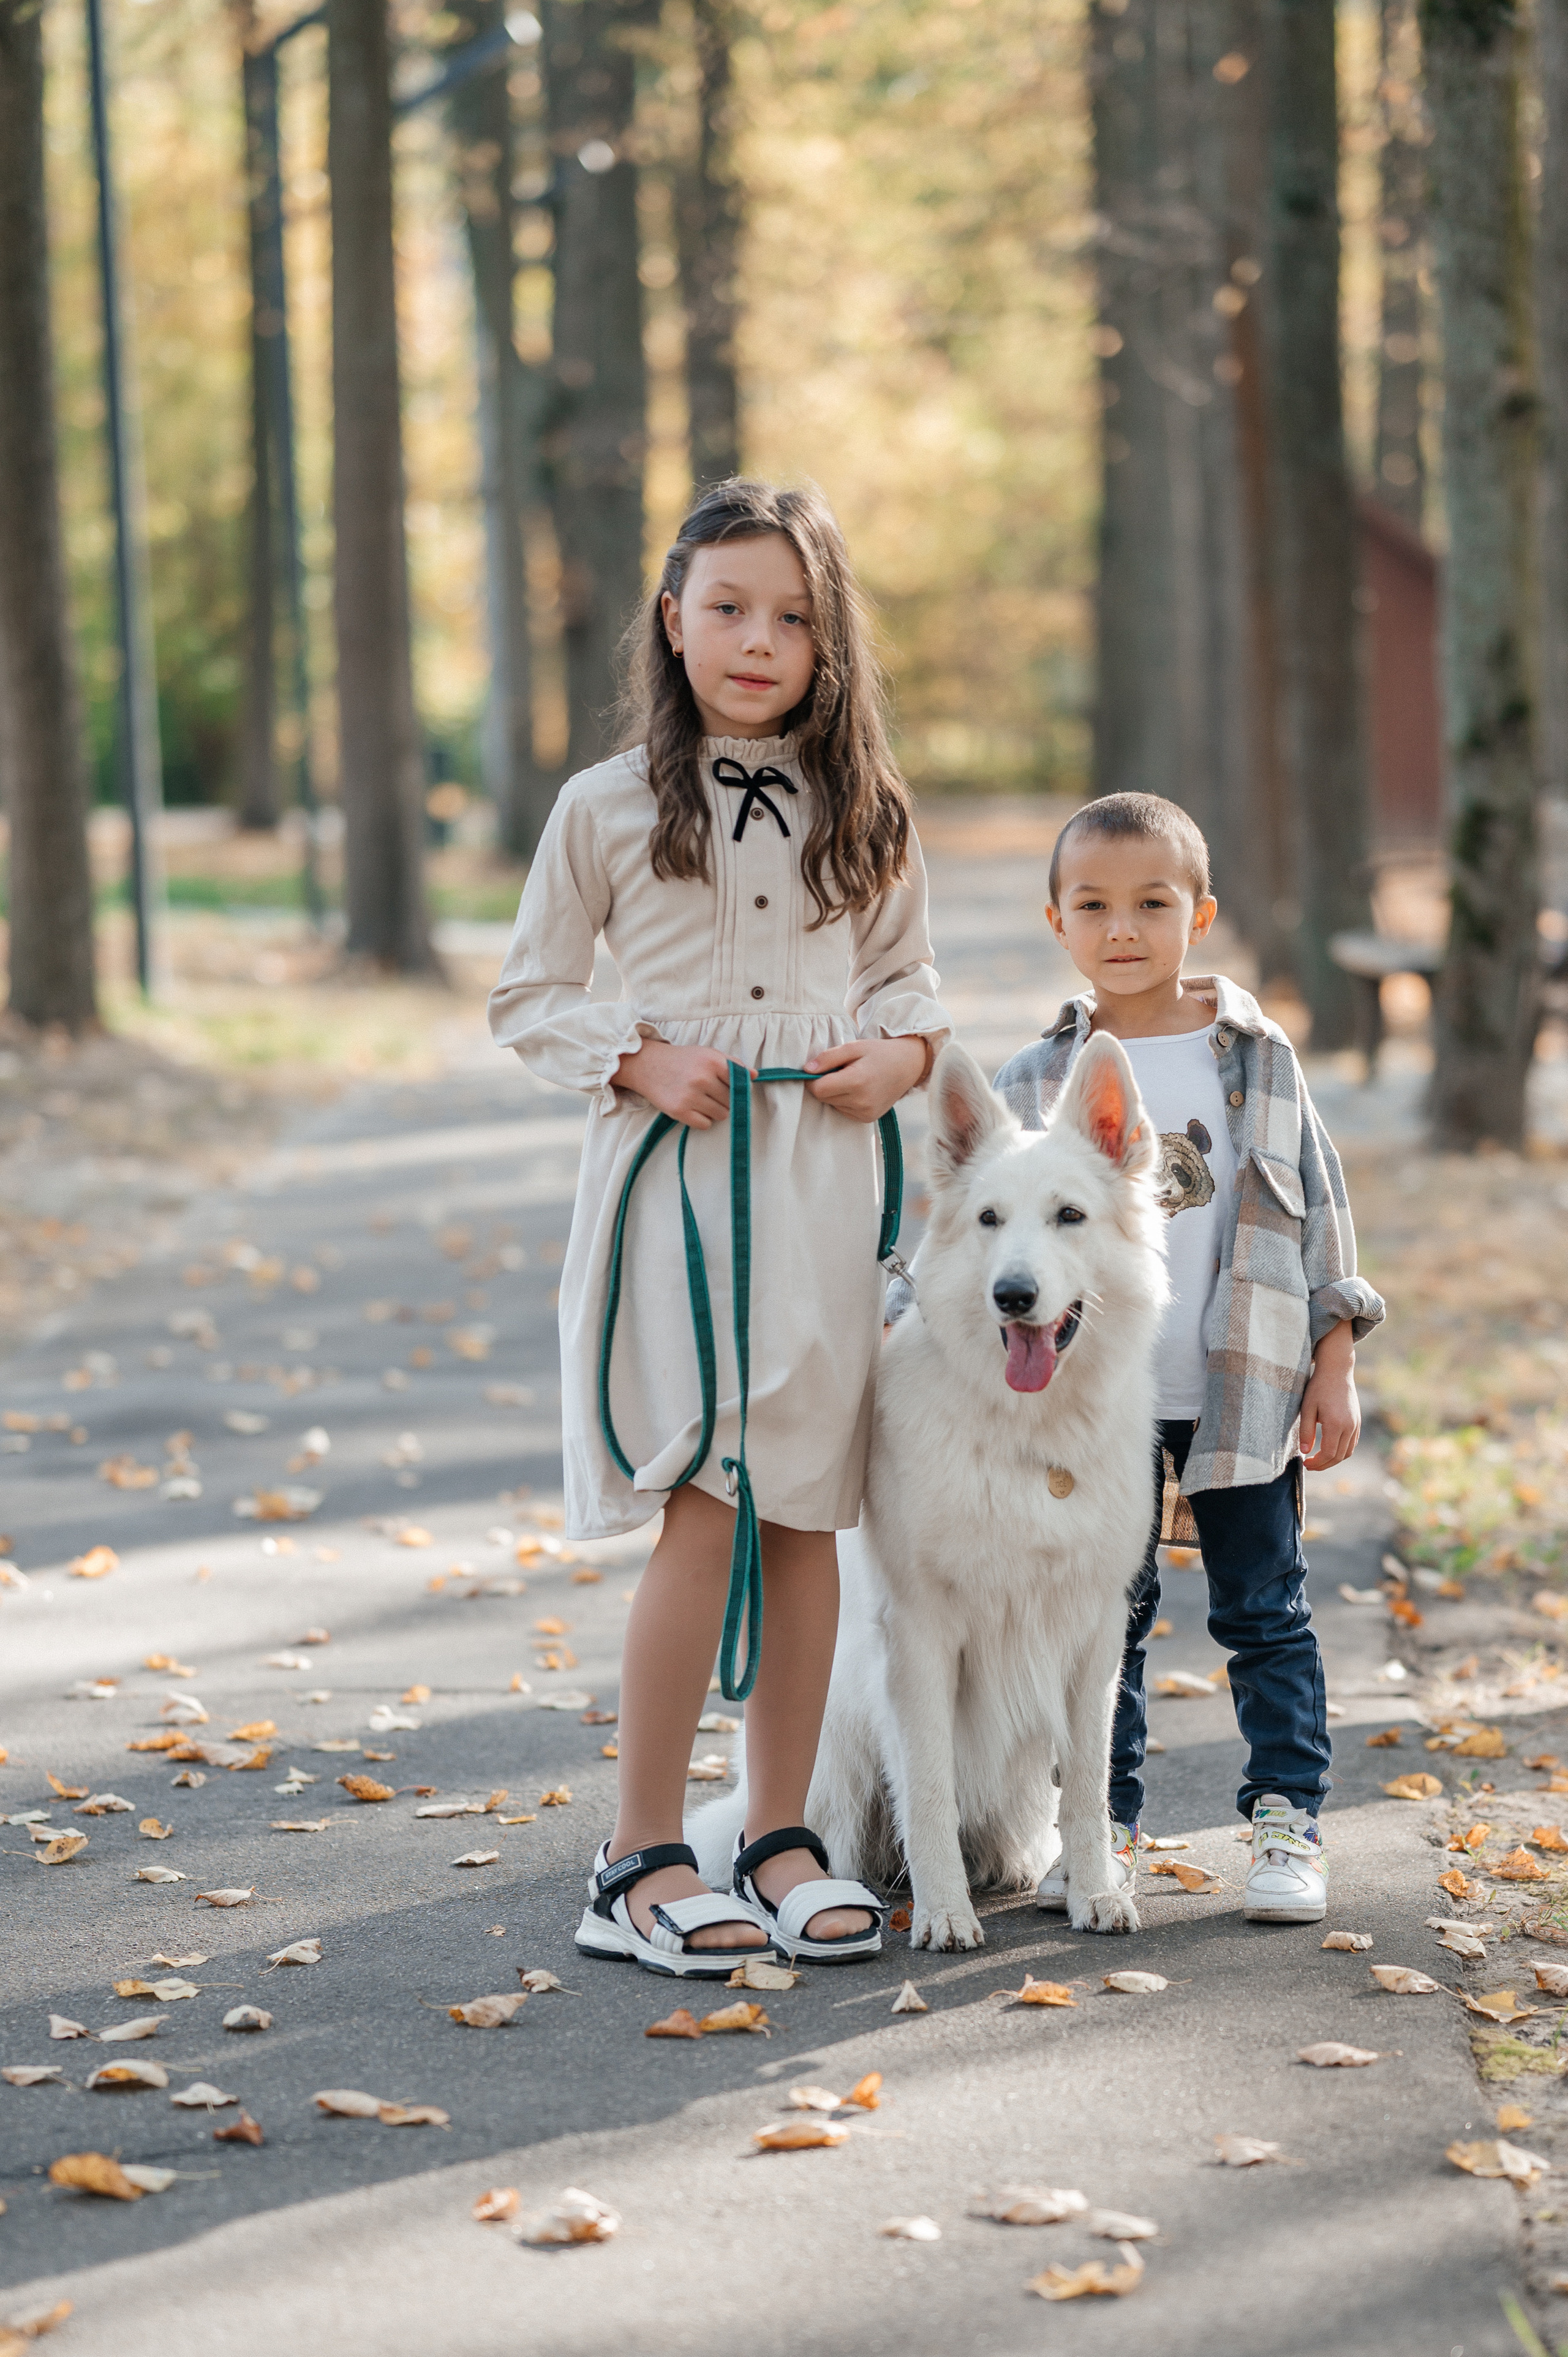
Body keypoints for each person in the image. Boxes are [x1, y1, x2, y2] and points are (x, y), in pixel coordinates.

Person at [489, 480, 951, 1974]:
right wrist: (633, 1053)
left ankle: (776, 1834)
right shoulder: (603, 808)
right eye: (729, 608)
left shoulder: (865, 811)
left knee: (807, 1499)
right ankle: (634, 1853)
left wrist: (897, 1059)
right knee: (709, 1490)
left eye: (793, 616)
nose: (759, 640)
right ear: (673, 622)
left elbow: (908, 984)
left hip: (819, 1177)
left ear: (830, 643)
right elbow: (529, 993)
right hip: (680, 1180)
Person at [991, 792, 1385, 1924]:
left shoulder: (1256, 1063)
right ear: (1058, 921)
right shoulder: (1032, 1079)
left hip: (1244, 1390)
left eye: (1152, 903)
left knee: (1265, 1609)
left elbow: (1320, 1210)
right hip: (1089, 1406)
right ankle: (1098, 1830)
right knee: (1097, 1621)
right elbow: (985, 1235)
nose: (1124, 927)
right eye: (1095, 905)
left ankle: (1285, 1823)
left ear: (1200, 914)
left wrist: (1335, 1360)